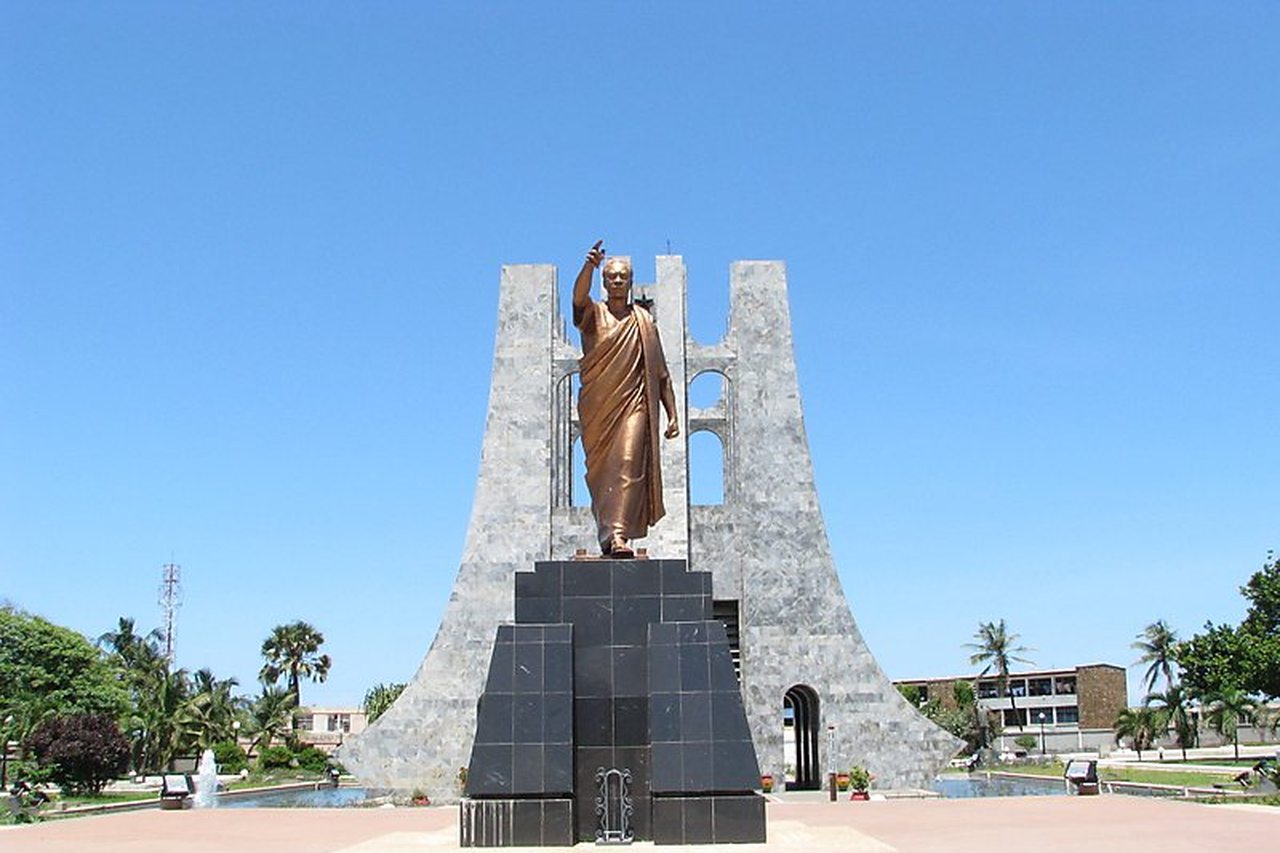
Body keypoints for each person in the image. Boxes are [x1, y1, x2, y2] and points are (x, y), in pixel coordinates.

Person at [572, 239, 679, 556]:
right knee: (602, 473)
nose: (618, 281)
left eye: (623, 277)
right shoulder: (594, 316)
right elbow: (578, 300)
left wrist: (672, 413)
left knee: (629, 463)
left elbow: (660, 373)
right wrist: (588, 267)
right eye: (611, 276)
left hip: (634, 404)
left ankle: (619, 536)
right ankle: (607, 534)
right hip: (598, 408)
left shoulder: (644, 322)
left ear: (630, 282)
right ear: (604, 282)